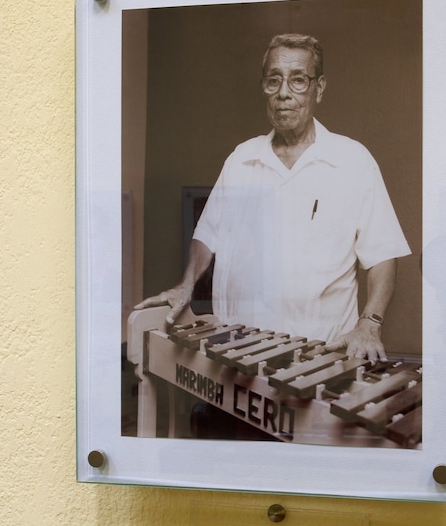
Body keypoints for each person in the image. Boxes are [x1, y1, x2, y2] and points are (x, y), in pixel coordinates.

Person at [135, 34, 410, 363]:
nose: (283, 93)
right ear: (264, 86)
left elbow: (383, 256)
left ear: (319, 88)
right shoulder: (242, 159)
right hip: (235, 351)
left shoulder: (353, 161)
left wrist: (370, 323)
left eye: (298, 81)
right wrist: (185, 286)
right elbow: (208, 235)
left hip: (319, 355)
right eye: (273, 80)